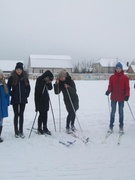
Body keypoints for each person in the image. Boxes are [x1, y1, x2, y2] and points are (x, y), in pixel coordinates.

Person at [8, 62, 31, 138]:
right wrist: (12, 94)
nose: (19, 71)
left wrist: (26, 94)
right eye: (17, 69)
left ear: (22, 70)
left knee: (21, 115)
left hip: (23, 100)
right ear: (15, 70)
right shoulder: (12, 77)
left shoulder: (25, 77)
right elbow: (8, 88)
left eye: (20, 69)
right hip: (15, 99)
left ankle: (21, 130)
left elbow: (28, 87)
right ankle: (16, 131)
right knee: (16, 115)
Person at [105, 62, 130, 133]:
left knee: (121, 112)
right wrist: (108, 91)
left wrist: (127, 95)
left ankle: (121, 126)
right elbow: (110, 86)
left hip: (121, 98)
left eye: (119, 68)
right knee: (113, 112)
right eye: (117, 68)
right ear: (115, 69)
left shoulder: (125, 78)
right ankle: (111, 126)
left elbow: (127, 88)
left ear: (121, 69)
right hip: (113, 98)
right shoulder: (112, 77)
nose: (118, 69)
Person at [54, 69, 79, 134]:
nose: (62, 79)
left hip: (74, 99)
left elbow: (74, 91)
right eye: (60, 77)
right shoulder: (60, 83)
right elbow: (56, 92)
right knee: (70, 112)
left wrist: (68, 87)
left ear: (65, 76)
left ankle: (72, 125)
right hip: (67, 100)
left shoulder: (70, 81)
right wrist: (56, 85)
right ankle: (67, 127)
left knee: (74, 112)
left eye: (63, 77)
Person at [34, 70, 54, 135]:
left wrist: (49, 82)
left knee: (45, 114)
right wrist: (44, 82)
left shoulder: (47, 81)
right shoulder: (39, 79)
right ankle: (39, 127)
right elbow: (38, 89)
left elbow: (50, 88)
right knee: (41, 114)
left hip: (45, 99)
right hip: (39, 99)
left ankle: (45, 127)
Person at [0, 69, 9, 142]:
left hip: (2, 106)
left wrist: (7, 103)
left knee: (1, 121)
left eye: (0, 75)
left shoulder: (4, 85)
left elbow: (7, 94)